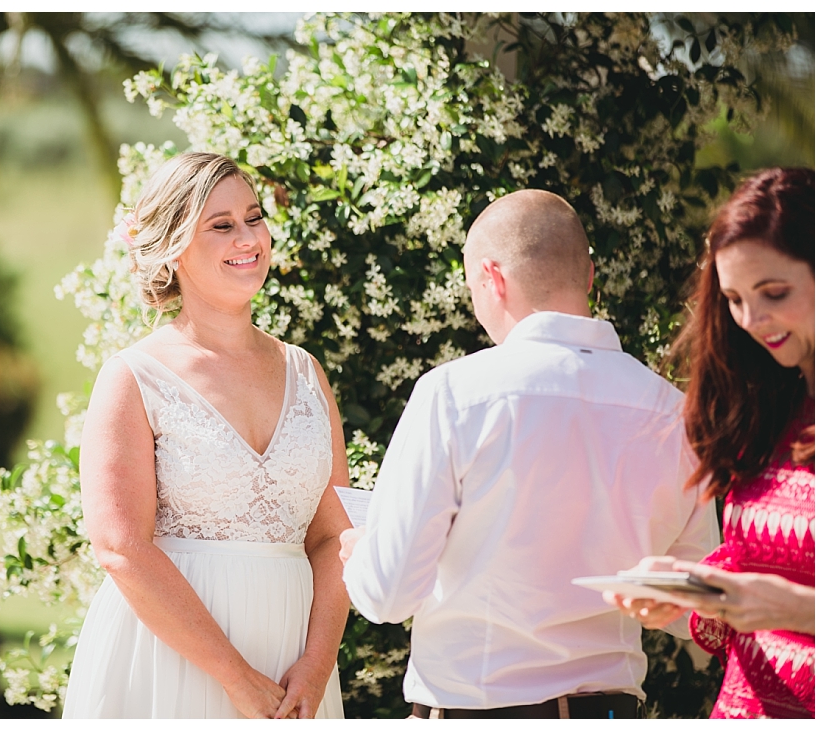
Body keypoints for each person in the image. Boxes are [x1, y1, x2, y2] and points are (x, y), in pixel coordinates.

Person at [339, 189, 719, 719]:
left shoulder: (454, 395)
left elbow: (387, 595)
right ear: (590, 276)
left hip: (478, 712)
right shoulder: (676, 414)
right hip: (611, 713)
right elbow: (698, 606)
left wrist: (362, 552)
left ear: (491, 277)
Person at [62, 152, 351, 719]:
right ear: (173, 247)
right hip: (170, 664)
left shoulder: (305, 372)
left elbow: (333, 536)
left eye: (254, 217)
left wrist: (317, 665)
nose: (248, 238)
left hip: (295, 665)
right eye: (221, 225)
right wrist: (233, 676)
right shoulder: (133, 377)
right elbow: (120, 548)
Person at [608, 167, 814, 718]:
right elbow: (755, 563)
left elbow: (786, 594)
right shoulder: (767, 409)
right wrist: (692, 590)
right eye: (734, 299)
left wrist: (801, 610)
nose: (752, 319)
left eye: (774, 293)